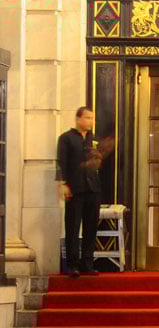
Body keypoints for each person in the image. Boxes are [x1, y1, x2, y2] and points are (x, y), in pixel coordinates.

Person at [56, 106, 106, 277]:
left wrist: (98, 159)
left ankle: (87, 263)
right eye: (87, 118)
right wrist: (62, 183)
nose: (91, 121)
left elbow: (97, 163)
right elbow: (60, 162)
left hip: (93, 188)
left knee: (91, 228)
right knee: (73, 226)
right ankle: (72, 265)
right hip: (75, 189)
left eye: (92, 118)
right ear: (78, 119)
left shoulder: (94, 139)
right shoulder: (66, 138)